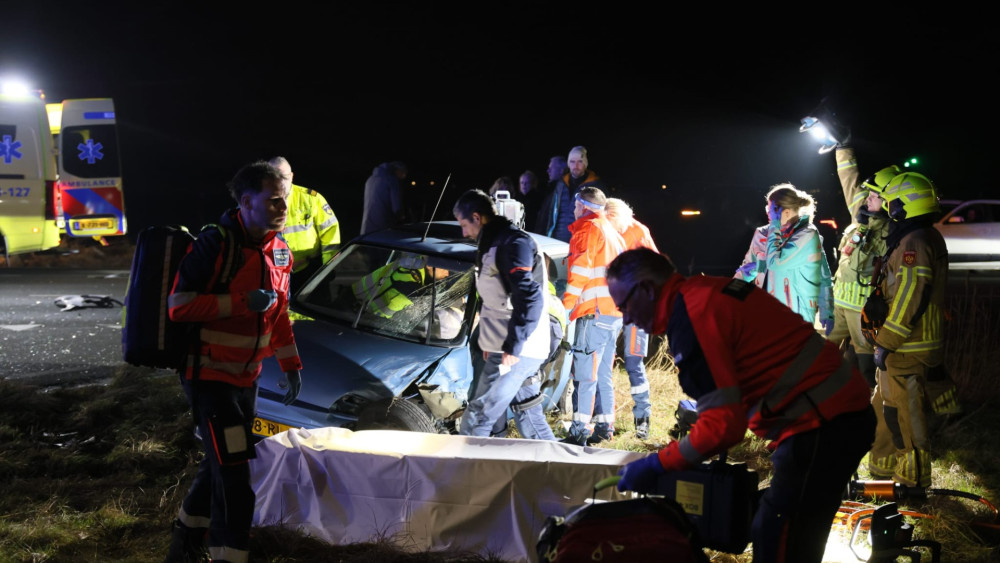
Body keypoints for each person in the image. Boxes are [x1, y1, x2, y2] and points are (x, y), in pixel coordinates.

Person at [608, 247, 874, 563]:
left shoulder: (691, 315)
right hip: (834, 414)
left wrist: (656, 465)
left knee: (779, 537)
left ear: (648, 290)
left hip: (824, 422)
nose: (626, 317)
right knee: (780, 527)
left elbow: (724, 426)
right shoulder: (704, 293)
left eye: (623, 305)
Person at [164, 161, 303, 563]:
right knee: (236, 476)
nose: (284, 208)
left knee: (220, 461)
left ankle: (185, 545)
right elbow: (179, 306)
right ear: (246, 201)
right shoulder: (215, 245)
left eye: (286, 199)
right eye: (274, 200)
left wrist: (291, 365)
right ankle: (230, 554)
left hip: (247, 380)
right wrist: (241, 302)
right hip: (208, 376)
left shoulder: (279, 250)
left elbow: (279, 316)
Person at [864, 172, 949, 489]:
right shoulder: (916, 237)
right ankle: (883, 469)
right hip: (901, 347)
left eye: (893, 203)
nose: (888, 208)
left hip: (908, 347)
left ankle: (912, 481)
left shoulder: (916, 242)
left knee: (905, 415)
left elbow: (909, 298)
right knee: (885, 409)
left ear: (906, 205)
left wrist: (885, 342)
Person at [453, 189, 555, 440]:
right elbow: (495, 300)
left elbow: (529, 298)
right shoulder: (493, 242)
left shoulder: (513, 243)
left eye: (464, 225)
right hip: (506, 344)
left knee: (480, 414)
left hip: (522, 347)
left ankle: (463, 469)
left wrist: (513, 346)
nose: (463, 232)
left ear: (477, 217)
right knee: (527, 414)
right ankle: (559, 468)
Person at [824, 147, 896, 388]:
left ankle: (869, 416)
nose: (867, 198)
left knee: (867, 369)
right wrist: (843, 148)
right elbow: (849, 180)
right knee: (817, 354)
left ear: (888, 203)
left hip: (863, 312)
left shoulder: (892, 233)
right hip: (839, 306)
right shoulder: (860, 218)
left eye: (874, 196)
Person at [561, 186, 627, 446]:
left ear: (583, 206)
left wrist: (566, 306)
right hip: (614, 314)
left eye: (576, 205)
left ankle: (579, 431)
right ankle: (604, 427)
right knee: (603, 374)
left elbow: (580, 270)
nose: (574, 210)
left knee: (586, 374)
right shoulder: (614, 234)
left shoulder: (588, 228)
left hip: (594, 312)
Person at [736, 183, 834, 331]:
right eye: (767, 209)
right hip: (764, 315)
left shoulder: (807, 235)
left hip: (796, 319)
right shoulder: (762, 234)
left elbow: (823, 275)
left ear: (786, 212)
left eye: (771, 210)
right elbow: (746, 270)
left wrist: (827, 310)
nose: (768, 214)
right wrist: (729, 296)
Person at [604, 197, 657, 439]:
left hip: (637, 308)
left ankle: (642, 419)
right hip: (612, 306)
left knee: (634, 363)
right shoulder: (604, 230)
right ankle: (604, 419)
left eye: (610, 219)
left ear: (616, 215)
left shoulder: (638, 232)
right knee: (605, 362)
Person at [268, 156, 340, 289]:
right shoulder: (259, 201)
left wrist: (328, 266)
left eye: (284, 176)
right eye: (274, 177)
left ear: (292, 176)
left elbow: (330, 233)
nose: (280, 181)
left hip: (309, 269)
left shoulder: (312, 199)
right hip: (273, 272)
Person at [538, 147, 605, 243]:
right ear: (568, 164)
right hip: (558, 238)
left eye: (580, 161)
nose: (576, 165)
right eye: (572, 161)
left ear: (585, 163)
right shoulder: (561, 184)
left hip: (583, 239)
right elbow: (552, 212)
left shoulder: (596, 186)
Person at [361, 161, 408, 234]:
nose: (404, 175)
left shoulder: (370, 179)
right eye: (403, 172)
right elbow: (397, 207)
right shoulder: (392, 180)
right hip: (382, 228)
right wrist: (402, 217)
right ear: (396, 170)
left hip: (366, 228)